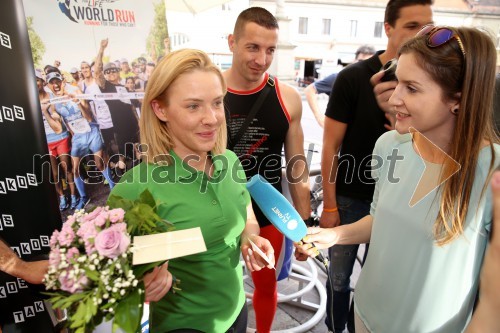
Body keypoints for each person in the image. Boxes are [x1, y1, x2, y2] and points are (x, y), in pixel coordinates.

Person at [296, 25, 500, 333]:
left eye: (412, 88)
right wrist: (336, 235)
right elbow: (382, 221)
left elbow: (493, 300)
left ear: (457, 98)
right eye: (398, 83)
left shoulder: (492, 174)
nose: (394, 100)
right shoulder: (389, 145)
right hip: (365, 315)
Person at [109, 48, 274, 333]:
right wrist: (139, 283)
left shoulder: (230, 161)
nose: (211, 118)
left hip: (237, 313)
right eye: (193, 106)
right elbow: (104, 269)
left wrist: (250, 237)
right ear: (160, 109)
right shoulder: (136, 187)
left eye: (217, 103)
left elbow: (246, 214)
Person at [316, 1, 433, 331]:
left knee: (382, 277)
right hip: (352, 199)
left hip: (402, 202)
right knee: (339, 280)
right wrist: (330, 205)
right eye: (412, 25)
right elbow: (330, 146)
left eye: (428, 25)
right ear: (388, 28)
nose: (422, 33)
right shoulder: (354, 78)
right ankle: (337, 326)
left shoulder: (437, 89)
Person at [223, 7, 311, 333]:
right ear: (232, 42)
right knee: (218, 289)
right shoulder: (207, 93)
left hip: (268, 212)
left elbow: (297, 168)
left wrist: (304, 227)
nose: (262, 58)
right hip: (217, 211)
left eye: (270, 49)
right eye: (253, 47)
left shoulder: (287, 97)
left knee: (266, 285)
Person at [46, 71, 115, 209]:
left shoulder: (75, 91)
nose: (56, 85)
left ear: (62, 81)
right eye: (52, 83)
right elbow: (59, 125)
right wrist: (51, 114)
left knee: (99, 163)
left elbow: (89, 117)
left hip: (91, 130)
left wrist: (77, 102)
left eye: (57, 82)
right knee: (75, 168)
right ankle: (84, 197)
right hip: (78, 136)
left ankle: (114, 189)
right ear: (49, 85)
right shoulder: (54, 101)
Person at [95, 39, 140, 173]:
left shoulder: (123, 87)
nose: (111, 73)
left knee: (139, 152)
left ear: (118, 72)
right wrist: (101, 49)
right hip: (119, 128)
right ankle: (125, 184)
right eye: (107, 71)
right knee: (122, 158)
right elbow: (97, 71)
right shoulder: (105, 86)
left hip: (133, 125)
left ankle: (143, 181)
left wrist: (139, 122)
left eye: (113, 70)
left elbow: (131, 107)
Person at [304, 45, 376, 128]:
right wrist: (319, 117)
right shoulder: (340, 78)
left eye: (368, 62)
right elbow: (309, 90)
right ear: (354, 61)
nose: (363, 66)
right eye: (360, 61)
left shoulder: (376, 83)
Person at [36, 69, 77, 211]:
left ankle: (73, 195)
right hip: (46, 141)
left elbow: (57, 118)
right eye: (33, 81)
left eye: (38, 80)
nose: (36, 83)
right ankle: (61, 197)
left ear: (42, 82)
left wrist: (52, 114)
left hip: (60, 138)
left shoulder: (52, 96)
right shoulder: (30, 99)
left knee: (67, 169)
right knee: (54, 173)